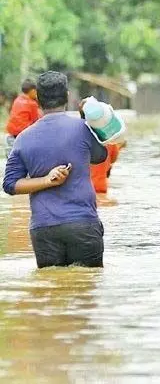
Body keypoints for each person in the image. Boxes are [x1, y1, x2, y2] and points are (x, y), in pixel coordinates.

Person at [2, 71, 108, 269]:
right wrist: (89, 121)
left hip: (44, 229)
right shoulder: (82, 129)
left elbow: (9, 184)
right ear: (67, 96)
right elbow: (100, 156)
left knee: (51, 293)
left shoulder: (23, 138)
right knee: (86, 290)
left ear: (38, 99)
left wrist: (45, 180)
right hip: (82, 225)